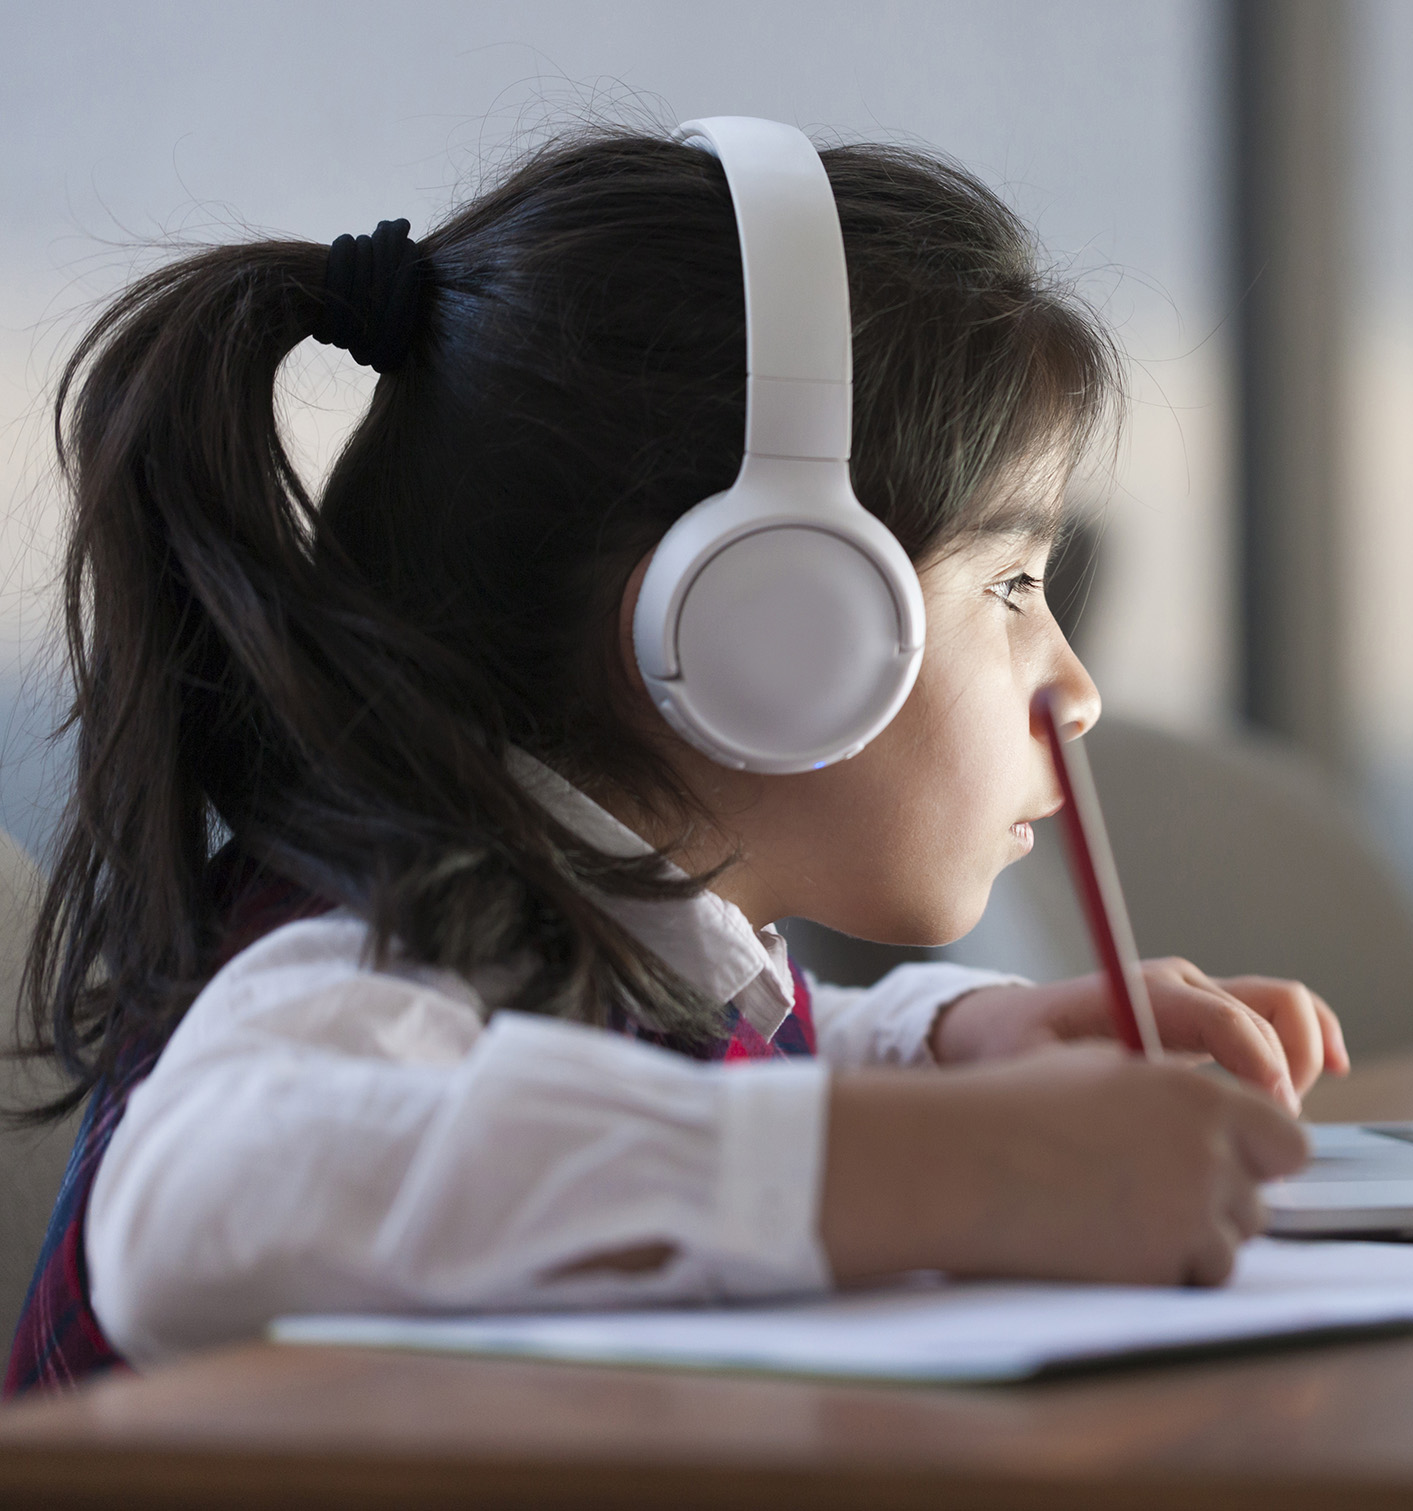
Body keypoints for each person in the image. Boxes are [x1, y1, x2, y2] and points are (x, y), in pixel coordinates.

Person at [5, 124, 1345, 1393]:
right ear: (771, 622)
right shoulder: (395, 935)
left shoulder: (569, 921)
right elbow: (200, 1200)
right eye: (1011, 584)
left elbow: (638, 1067)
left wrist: (945, 1046)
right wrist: (954, 1164)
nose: (1078, 684)